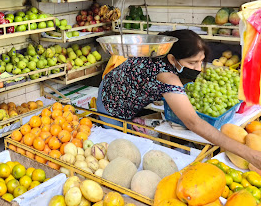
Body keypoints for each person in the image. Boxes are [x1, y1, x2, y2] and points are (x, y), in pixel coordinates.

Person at [96, 29, 261, 168]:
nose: (198, 68)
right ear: (172, 59)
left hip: (119, 85)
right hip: (111, 103)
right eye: (192, 63)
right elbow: (194, 123)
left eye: (201, 62)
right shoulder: (167, 77)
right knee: (117, 150)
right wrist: (248, 154)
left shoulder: (158, 50)